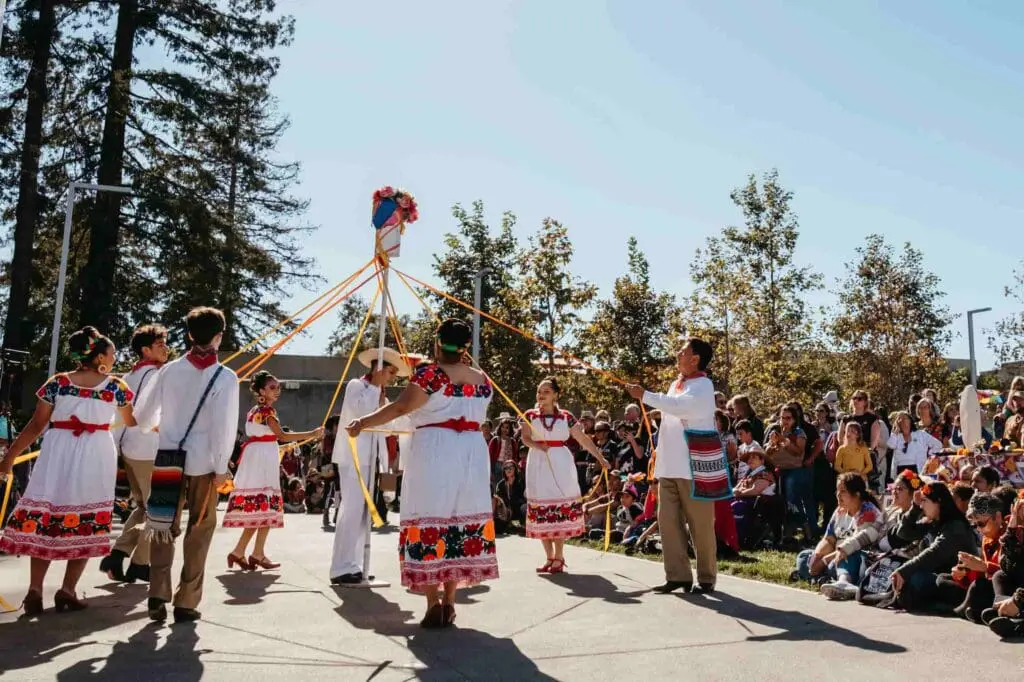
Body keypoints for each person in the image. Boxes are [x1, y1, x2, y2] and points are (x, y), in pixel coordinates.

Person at [346, 319, 498, 628]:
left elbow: (401, 408)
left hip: (435, 451)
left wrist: (362, 422)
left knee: (430, 516)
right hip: (471, 451)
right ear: (467, 345)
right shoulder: (483, 380)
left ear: (438, 343)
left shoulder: (429, 374)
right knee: (458, 519)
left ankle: (432, 601)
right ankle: (451, 602)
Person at [0, 327, 135, 615]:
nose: (114, 359)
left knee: (48, 514)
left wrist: (10, 456)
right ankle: (67, 590)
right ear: (99, 356)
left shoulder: (57, 383)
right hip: (96, 453)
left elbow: (36, 426)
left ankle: (35, 590)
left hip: (57, 452)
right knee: (87, 515)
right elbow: (131, 422)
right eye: (111, 354)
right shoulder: (115, 387)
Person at [133, 307, 240, 623]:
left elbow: (141, 418)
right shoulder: (226, 377)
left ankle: (156, 595)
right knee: (200, 530)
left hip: (168, 459)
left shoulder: (167, 371)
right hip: (205, 464)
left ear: (190, 335)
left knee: (162, 527)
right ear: (219, 337)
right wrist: (223, 466)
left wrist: (162, 427)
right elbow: (224, 427)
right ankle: (186, 600)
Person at [626, 337, 721, 594]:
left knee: (700, 525)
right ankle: (678, 575)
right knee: (667, 521)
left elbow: (682, 408)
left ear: (695, 358)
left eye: (683, 351)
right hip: (669, 465)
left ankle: (706, 577)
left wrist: (645, 395)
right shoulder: (675, 384)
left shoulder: (703, 385)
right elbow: (671, 410)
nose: (677, 355)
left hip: (693, 465)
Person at [224, 371, 323, 569]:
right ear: (261, 391)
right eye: (272, 387)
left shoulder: (255, 410)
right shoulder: (267, 413)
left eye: (278, 387)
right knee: (265, 506)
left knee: (261, 509)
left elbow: (267, 438)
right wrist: (312, 433)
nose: (277, 390)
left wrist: (279, 447)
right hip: (261, 462)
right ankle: (254, 553)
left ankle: (243, 552)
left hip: (258, 457)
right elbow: (282, 435)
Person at [330, 347, 406, 585]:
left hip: (370, 458)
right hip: (353, 456)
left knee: (363, 513)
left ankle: (354, 564)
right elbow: (360, 411)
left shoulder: (379, 393)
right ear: (380, 369)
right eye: (390, 372)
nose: (392, 378)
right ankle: (341, 567)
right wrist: (376, 388)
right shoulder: (357, 386)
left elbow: (388, 424)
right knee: (351, 509)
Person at [520, 377, 610, 574]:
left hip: (560, 462)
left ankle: (559, 557)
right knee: (541, 507)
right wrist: (537, 446)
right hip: (538, 463)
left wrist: (600, 458)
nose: (541, 395)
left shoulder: (566, 417)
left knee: (559, 506)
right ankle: (549, 557)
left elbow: (583, 438)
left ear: (556, 395)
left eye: (546, 392)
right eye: (539, 391)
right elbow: (525, 438)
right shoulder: (530, 415)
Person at [102, 324, 169, 584]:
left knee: (144, 506)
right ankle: (140, 563)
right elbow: (150, 416)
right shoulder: (156, 375)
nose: (165, 348)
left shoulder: (129, 376)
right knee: (159, 509)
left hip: (130, 448)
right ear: (145, 350)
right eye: (160, 344)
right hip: (150, 447)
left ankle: (118, 553)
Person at [889, 482, 978, 612]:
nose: (921, 505)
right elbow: (903, 533)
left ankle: (944, 606)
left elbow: (934, 553)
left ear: (939, 502)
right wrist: (914, 508)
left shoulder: (956, 526)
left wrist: (904, 571)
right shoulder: (932, 522)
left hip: (956, 581)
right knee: (904, 576)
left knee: (914, 577)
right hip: (936, 575)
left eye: (925, 501)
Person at [797, 473, 884, 600]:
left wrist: (824, 561)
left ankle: (836, 580)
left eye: (843, 491)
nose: (838, 495)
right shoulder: (839, 511)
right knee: (804, 557)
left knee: (837, 562)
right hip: (834, 556)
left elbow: (854, 547)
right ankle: (825, 578)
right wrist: (817, 556)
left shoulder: (868, 513)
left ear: (857, 494)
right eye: (837, 490)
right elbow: (829, 539)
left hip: (852, 558)